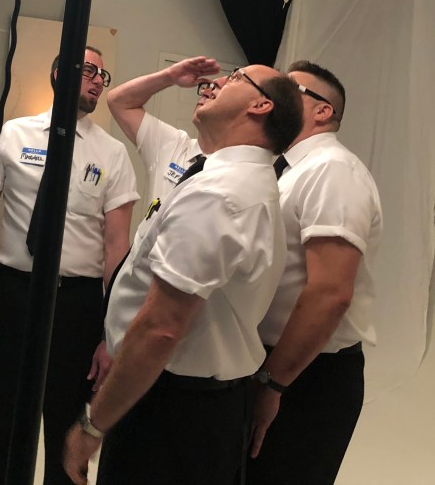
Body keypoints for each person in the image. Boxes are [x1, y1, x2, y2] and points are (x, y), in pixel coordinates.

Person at [63, 65, 304, 485]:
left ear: (261, 105)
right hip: (192, 404)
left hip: (173, 411)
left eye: (234, 78)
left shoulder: (219, 193)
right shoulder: (235, 179)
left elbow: (161, 328)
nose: (215, 83)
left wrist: (92, 427)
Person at [0, 45, 139, 485]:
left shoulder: (112, 153)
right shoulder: (13, 135)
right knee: (1, 419)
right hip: (15, 296)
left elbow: (117, 247)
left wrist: (111, 333)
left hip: (77, 305)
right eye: (89, 70)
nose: (98, 81)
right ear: (59, 73)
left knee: (65, 424)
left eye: (103, 76)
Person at [247, 60, 383, 485]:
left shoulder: (332, 170)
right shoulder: (292, 169)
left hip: (305, 376)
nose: (273, 98)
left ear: (323, 111)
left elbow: (330, 293)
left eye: (289, 90)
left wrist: (273, 383)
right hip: (278, 364)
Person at [107, 55, 221, 203]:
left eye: (217, 91)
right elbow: (118, 102)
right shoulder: (174, 145)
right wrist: (170, 76)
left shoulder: (238, 169)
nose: (205, 92)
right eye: (208, 87)